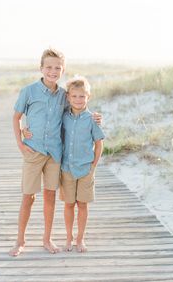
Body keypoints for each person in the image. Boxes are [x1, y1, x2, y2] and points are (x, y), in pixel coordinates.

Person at [9, 48, 101, 256]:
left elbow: (78, 111)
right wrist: (20, 142)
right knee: (28, 197)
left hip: (55, 155)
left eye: (57, 68)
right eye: (49, 67)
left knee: (50, 197)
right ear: (41, 68)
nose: (53, 71)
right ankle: (20, 240)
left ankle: (47, 239)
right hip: (33, 151)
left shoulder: (63, 95)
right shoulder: (29, 91)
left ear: (63, 70)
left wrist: (96, 118)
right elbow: (16, 117)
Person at [59, 76, 104, 253]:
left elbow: (99, 143)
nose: (78, 100)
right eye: (75, 96)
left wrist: (93, 166)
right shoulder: (64, 117)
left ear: (88, 97)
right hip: (67, 168)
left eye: (82, 96)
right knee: (69, 204)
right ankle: (69, 237)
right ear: (68, 97)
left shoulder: (92, 119)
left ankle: (80, 238)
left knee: (82, 205)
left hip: (86, 168)